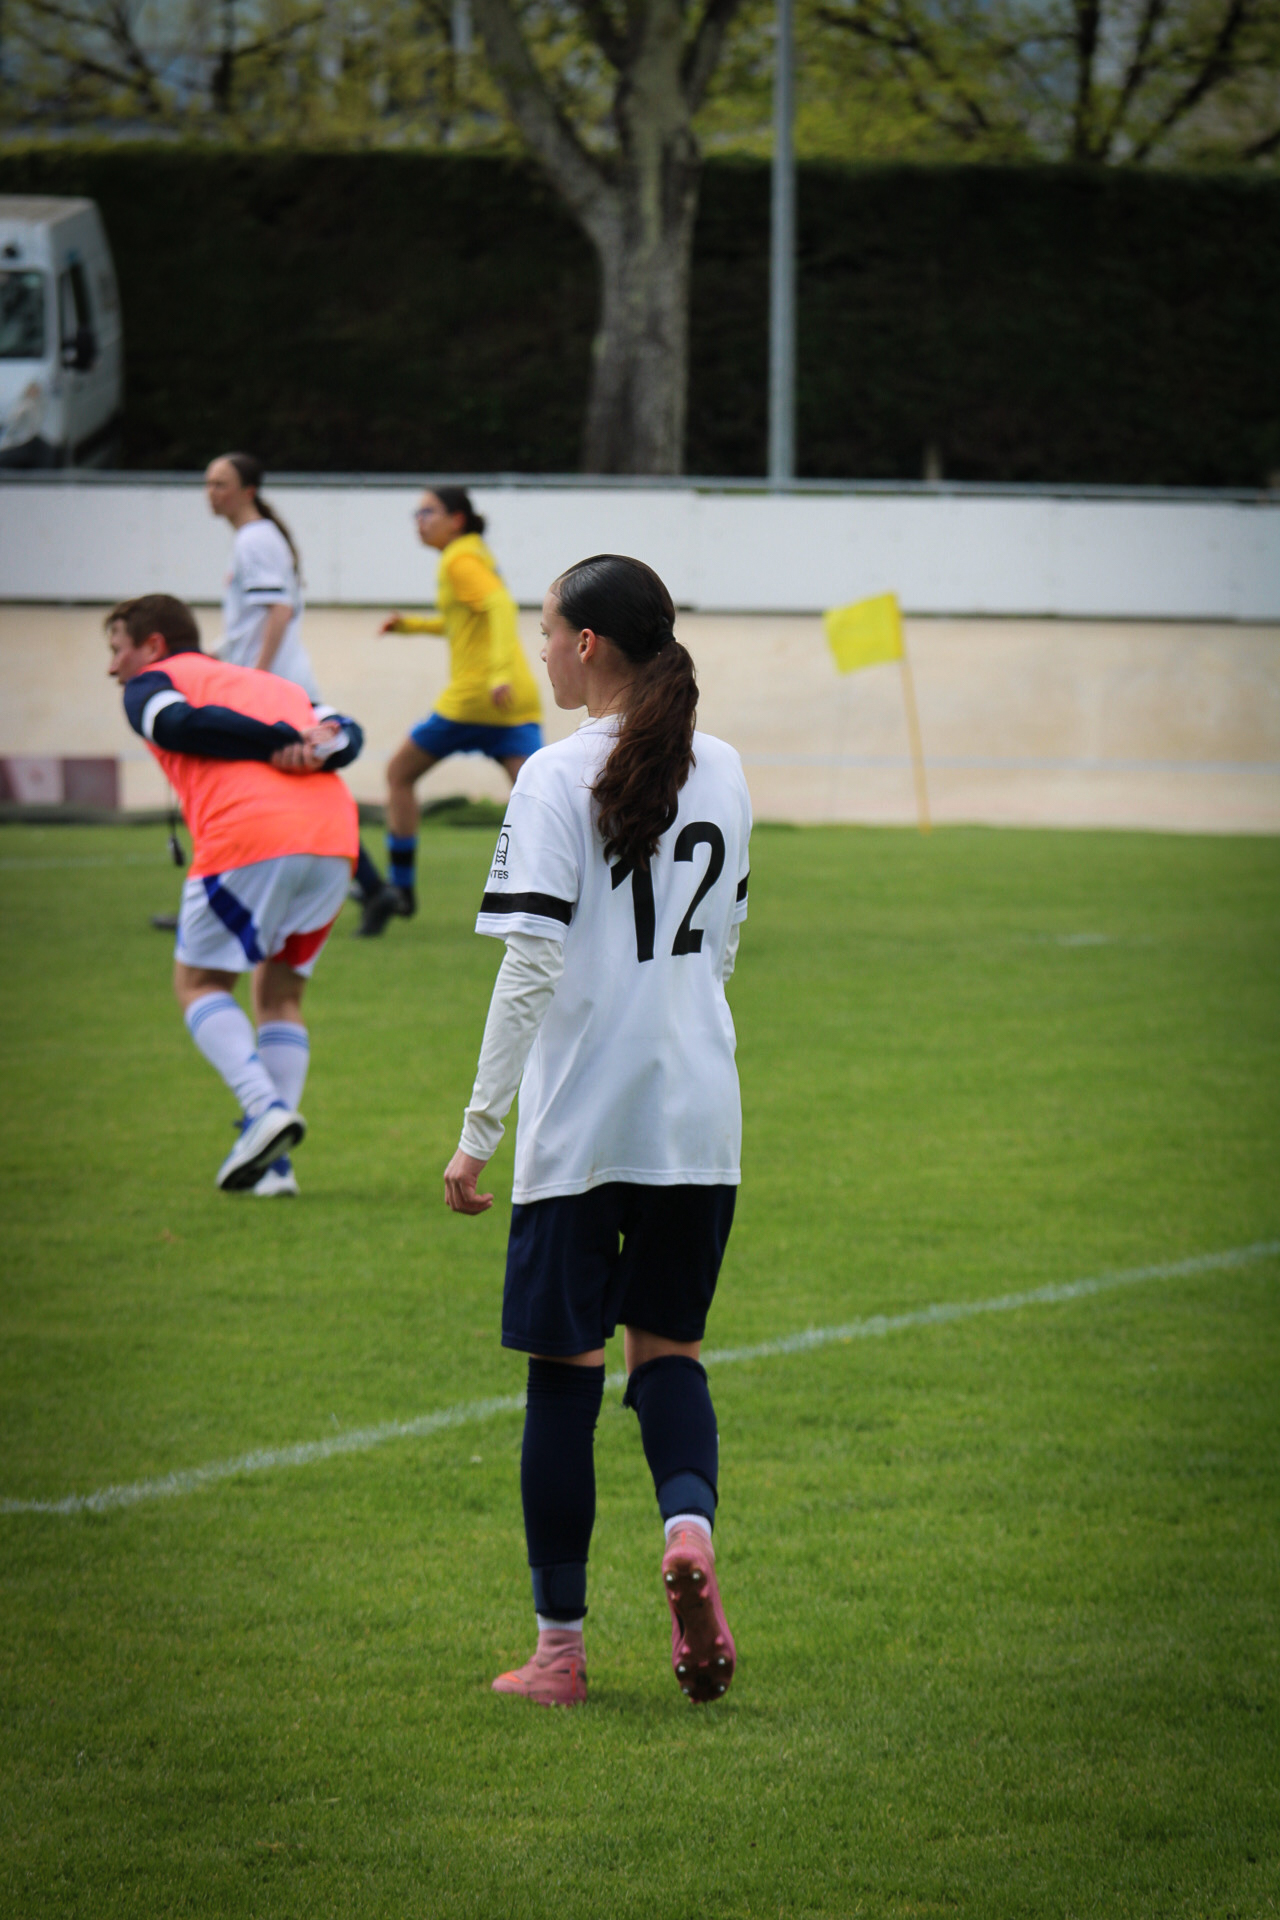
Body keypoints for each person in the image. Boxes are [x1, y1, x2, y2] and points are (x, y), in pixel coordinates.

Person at [443, 554, 752, 1709]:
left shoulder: (551, 774)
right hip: (698, 1113)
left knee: (561, 1384)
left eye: (545, 632)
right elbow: (723, 946)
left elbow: (528, 967)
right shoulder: (723, 766)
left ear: (585, 644)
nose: (538, 651)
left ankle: (559, 1655)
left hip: (581, 1120)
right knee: (667, 1353)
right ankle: (686, 1529)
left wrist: (477, 1129)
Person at [107, 593, 365, 1196]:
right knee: (280, 995)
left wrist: (281, 742)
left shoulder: (152, 682)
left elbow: (177, 724)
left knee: (199, 983)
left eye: (117, 648)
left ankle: (262, 1110)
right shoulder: (271, 683)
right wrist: (309, 745)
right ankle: (273, 1169)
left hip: (251, 839)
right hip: (334, 841)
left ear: (152, 644)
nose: (113, 666)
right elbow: (348, 733)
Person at [356, 486, 542, 936]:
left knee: (399, 774)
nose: (419, 520)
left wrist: (497, 673)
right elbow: (464, 621)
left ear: (456, 519)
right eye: (417, 512)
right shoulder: (475, 552)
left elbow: (500, 606)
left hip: (476, 697)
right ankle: (565, 893)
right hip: (515, 701)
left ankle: (401, 888)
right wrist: (411, 626)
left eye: (428, 512)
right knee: (542, 799)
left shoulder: (458, 559)